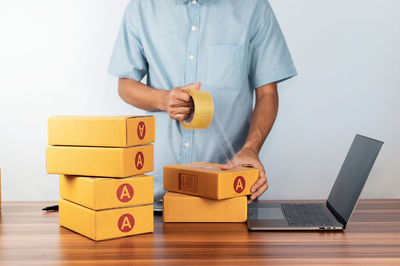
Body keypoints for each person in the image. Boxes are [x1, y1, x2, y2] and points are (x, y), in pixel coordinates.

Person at [108, 0, 297, 203]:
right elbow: (126, 85)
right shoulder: (141, 7)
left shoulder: (254, 7)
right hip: (156, 192)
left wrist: (251, 149)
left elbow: (266, 94)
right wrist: (163, 99)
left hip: (227, 190)